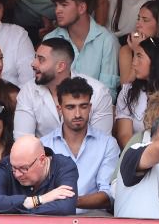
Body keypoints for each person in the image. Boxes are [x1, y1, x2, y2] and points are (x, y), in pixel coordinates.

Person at [39, 76, 117, 213]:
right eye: (70, 107)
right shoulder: (43, 145)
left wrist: (69, 202)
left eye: (83, 106)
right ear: (59, 109)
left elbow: (108, 195)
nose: (77, 114)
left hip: (94, 219)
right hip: (53, 218)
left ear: (90, 107)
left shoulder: (107, 144)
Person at [14, 38, 112, 139]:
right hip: (42, 154)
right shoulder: (28, 91)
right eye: (35, 58)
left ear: (60, 66)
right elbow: (22, 141)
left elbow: (101, 142)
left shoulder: (98, 92)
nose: (33, 64)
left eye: (41, 59)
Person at [44, 0, 119, 93]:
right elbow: (45, 87)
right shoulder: (50, 40)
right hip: (55, 108)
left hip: (95, 109)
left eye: (64, 5)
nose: (57, 10)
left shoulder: (107, 40)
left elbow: (108, 91)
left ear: (82, 8)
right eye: (56, 5)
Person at [0, 133, 77, 215]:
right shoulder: (7, 164)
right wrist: (37, 200)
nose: (17, 174)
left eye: (24, 168)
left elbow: (66, 208)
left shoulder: (64, 166)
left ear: (42, 160)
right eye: (14, 168)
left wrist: (15, 209)